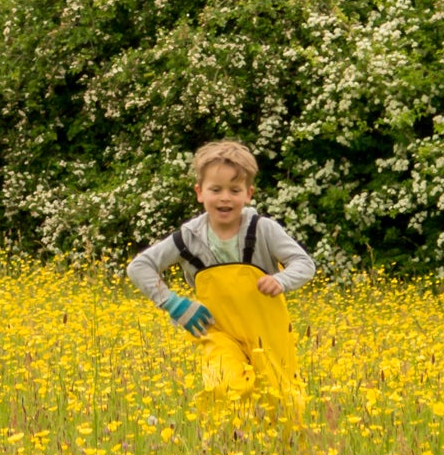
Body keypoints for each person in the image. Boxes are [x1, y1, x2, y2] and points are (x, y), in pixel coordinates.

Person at [128, 141, 315, 413]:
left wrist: (281, 280)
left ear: (248, 194)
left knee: (285, 403)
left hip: (268, 333)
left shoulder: (263, 229)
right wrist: (172, 303)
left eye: (234, 190)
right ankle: (229, 449)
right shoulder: (188, 238)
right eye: (215, 189)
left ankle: (281, 452)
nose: (225, 197)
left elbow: (304, 263)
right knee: (223, 388)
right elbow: (139, 266)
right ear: (199, 193)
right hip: (219, 333)